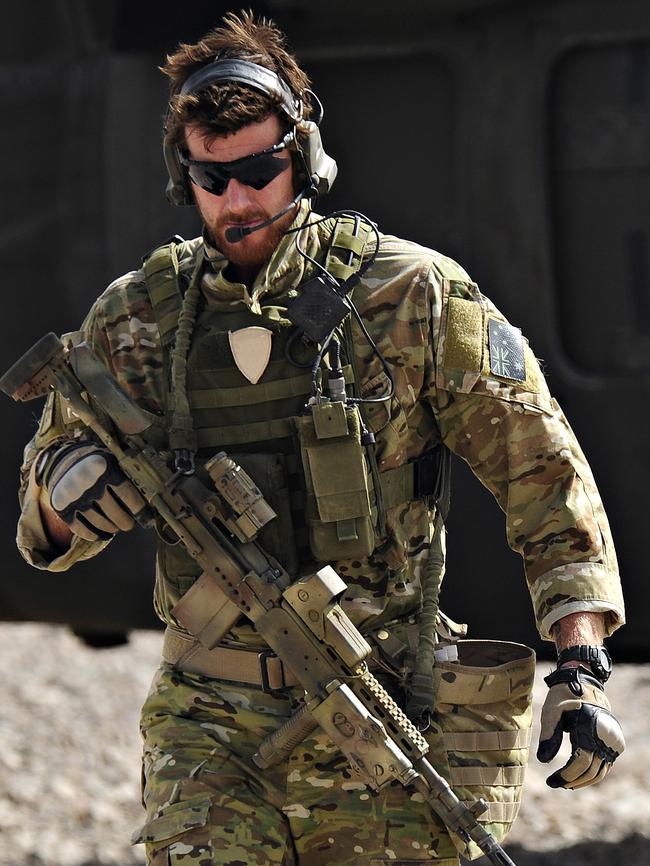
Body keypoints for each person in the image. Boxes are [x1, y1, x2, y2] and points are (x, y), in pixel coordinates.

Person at [15, 11, 625, 866]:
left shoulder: (411, 297)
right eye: (212, 177)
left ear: (303, 155)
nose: (238, 200)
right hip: (210, 726)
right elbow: (44, 515)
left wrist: (582, 668)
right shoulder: (137, 319)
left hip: (385, 705)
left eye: (260, 170)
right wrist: (65, 489)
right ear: (181, 175)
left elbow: (544, 477)